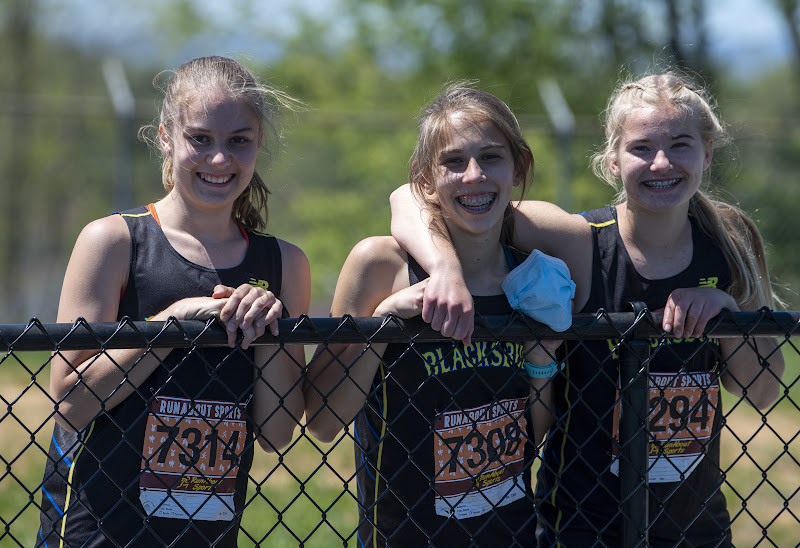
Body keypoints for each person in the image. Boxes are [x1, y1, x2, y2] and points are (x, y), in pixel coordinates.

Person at [390, 72, 785, 547]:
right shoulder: (578, 241)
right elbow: (414, 195)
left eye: (680, 145)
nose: (661, 163)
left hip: (695, 528)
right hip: (582, 523)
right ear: (612, 161)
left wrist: (724, 313)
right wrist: (446, 270)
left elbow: (761, 393)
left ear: (708, 152)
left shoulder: (727, 244)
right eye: (641, 148)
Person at [37, 56, 310, 547]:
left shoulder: (285, 264)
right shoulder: (114, 241)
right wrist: (170, 324)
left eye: (238, 141)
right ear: (166, 136)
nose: (220, 159)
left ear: (258, 145)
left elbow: (276, 432)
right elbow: (70, 405)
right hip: (98, 532)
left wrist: (269, 324)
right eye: (200, 139)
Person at [304, 83, 562, 547]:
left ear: (518, 167)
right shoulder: (381, 266)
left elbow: (533, 433)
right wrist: (382, 325)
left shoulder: (532, 274)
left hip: (512, 533)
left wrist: (541, 364)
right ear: (424, 181)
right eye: (453, 162)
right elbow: (322, 423)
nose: (474, 176)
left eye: (492, 157)